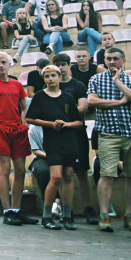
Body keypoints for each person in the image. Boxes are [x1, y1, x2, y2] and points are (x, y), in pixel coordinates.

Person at [87, 47, 131, 232]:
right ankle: (104, 216)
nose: (111, 62)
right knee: (107, 175)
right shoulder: (95, 79)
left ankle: (129, 215)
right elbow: (93, 102)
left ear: (123, 61)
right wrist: (120, 102)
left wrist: (118, 83)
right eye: (108, 59)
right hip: (108, 133)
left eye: (115, 59)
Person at [0, 52, 35, 226]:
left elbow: (25, 107)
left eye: (4, 62)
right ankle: (7, 211)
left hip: (18, 129)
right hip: (1, 129)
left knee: (20, 170)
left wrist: (23, 124)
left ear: (10, 65)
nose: (1, 65)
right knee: (4, 170)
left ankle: (17, 210)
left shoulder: (17, 84)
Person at [25, 64, 84, 229]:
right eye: (47, 76)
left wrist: (66, 124)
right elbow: (30, 119)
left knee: (68, 176)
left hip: (69, 140)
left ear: (59, 77)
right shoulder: (39, 96)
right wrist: (51, 124)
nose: (50, 79)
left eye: (53, 75)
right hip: (52, 141)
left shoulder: (67, 97)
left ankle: (67, 216)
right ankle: (47, 215)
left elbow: (79, 121)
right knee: (56, 177)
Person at [53, 53, 100, 224]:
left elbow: (83, 107)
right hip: (58, 135)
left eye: (64, 64)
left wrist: (61, 113)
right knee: (63, 173)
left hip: (77, 133)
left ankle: (88, 208)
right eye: (57, 64)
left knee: (81, 172)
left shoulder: (78, 85)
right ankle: (68, 210)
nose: (61, 67)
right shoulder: (50, 86)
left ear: (69, 66)